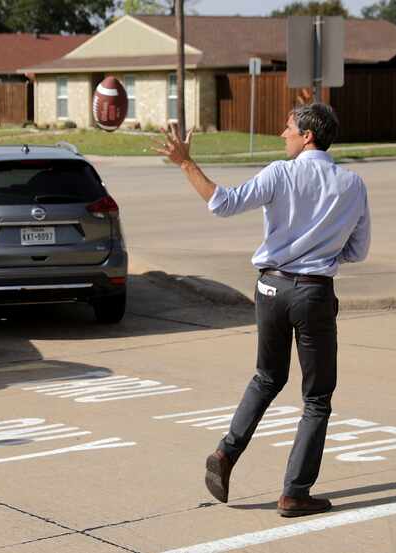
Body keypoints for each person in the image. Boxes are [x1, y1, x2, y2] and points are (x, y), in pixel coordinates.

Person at [154, 103, 371, 517]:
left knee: (267, 376)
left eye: (288, 127)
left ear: (308, 135)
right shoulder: (353, 184)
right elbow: (358, 250)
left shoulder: (279, 173)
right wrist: (322, 246)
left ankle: (225, 453)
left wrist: (185, 163)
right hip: (313, 293)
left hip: (270, 288)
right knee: (317, 399)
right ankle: (294, 492)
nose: (281, 133)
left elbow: (223, 203)